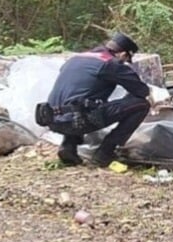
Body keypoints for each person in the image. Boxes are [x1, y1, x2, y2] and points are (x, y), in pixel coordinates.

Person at [43, 32, 151, 167]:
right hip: (77, 122)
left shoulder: (76, 58)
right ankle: (105, 153)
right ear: (123, 54)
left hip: (51, 118)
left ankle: (68, 147)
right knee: (141, 104)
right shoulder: (111, 64)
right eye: (125, 59)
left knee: (79, 103)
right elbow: (141, 91)